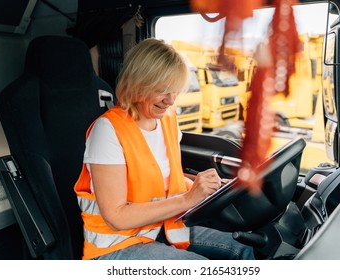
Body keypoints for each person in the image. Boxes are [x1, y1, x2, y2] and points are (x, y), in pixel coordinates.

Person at [74, 38, 255, 260]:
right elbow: (117, 217)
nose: (170, 100)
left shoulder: (168, 119)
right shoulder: (107, 130)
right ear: (137, 83)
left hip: (165, 227)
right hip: (117, 244)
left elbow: (166, 180)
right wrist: (188, 200)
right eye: (162, 90)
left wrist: (209, 187)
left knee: (244, 248)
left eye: (176, 91)